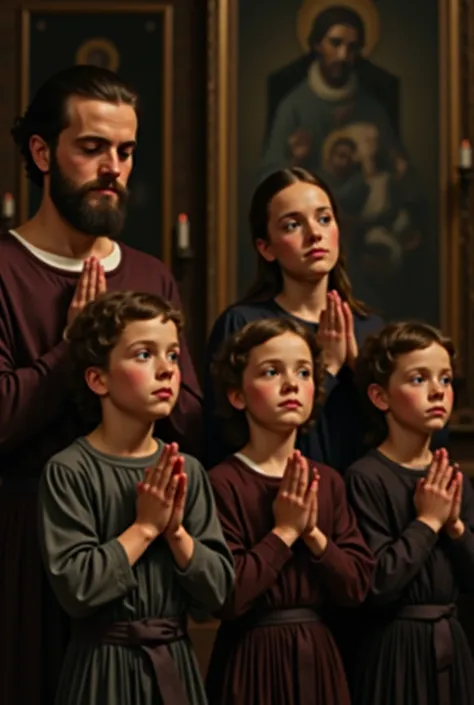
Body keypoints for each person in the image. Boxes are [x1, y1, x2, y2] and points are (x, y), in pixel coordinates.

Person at [0, 65, 202, 705]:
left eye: (125, 151)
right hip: (27, 547)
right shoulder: (6, 269)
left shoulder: (148, 274)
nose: (113, 166)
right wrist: (73, 348)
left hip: (144, 553)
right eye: (92, 148)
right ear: (42, 152)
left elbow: (192, 420)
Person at [38, 290, 234, 705]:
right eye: (144, 355)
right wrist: (145, 528)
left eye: (173, 356)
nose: (166, 370)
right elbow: (78, 588)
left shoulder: (189, 470)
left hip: (175, 665)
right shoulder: (69, 471)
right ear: (99, 379)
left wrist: (177, 532)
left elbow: (216, 595)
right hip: (100, 671)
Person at [205, 317, 374, 705]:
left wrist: (313, 535)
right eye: (271, 371)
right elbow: (226, 598)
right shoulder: (222, 483)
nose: (291, 384)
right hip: (250, 660)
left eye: (303, 372)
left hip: (319, 656)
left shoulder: (329, 482)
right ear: (237, 395)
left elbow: (356, 588)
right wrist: (283, 533)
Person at [204, 166, 384, 471]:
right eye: (292, 226)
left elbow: (402, 439)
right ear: (266, 248)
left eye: (324, 219)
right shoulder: (243, 326)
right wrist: (324, 370)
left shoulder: (370, 328)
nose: (315, 234)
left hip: (360, 504)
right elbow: (223, 438)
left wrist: (361, 374)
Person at [345, 321, 474, 705]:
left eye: (446, 379)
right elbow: (377, 584)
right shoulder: (364, 477)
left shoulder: (456, 479)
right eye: (419, 379)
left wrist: (454, 528)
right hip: (394, 651)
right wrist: (427, 522)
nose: (438, 391)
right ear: (380, 397)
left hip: (452, 643)